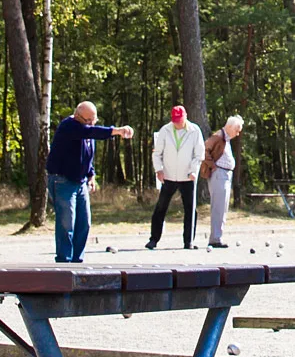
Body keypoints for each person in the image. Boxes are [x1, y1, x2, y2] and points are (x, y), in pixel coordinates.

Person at [46, 101, 134, 263]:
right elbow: (90, 132)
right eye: (88, 120)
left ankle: (77, 259)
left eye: (94, 120)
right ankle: (64, 260)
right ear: (77, 116)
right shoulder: (69, 126)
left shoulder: (86, 129)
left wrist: (91, 175)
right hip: (62, 180)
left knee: (84, 222)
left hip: (80, 182)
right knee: (67, 223)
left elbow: (87, 156)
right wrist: (116, 130)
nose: (91, 123)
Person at [149, 105, 205, 250]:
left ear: (186, 116)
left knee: (190, 209)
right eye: (175, 120)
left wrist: (193, 170)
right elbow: (157, 153)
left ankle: (188, 241)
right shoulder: (165, 130)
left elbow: (199, 154)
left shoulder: (195, 130)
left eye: (180, 120)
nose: (178, 123)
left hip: (187, 177)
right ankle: (153, 239)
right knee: (161, 207)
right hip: (168, 176)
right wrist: (159, 169)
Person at [201, 114, 245, 247]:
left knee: (223, 207)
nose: (237, 134)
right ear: (230, 127)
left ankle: (217, 237)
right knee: (219, 207)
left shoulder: (226, 138)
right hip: (219, 174)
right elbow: (203, 150)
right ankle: (215, 239)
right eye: (237, 130)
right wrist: (212, 166)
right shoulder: (218, 137)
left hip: (224, 174)